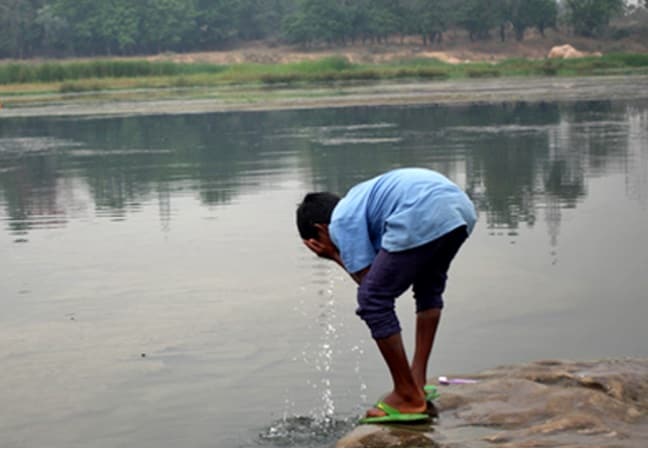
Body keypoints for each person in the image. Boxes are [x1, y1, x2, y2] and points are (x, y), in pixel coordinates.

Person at [296, 167, 477, 424]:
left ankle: (407, 395)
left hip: (421, 209)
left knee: (372, 301)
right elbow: (387, 275)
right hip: (459, 209)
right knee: (428, 286)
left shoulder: (340, 222)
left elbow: (371, 287)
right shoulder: (361, 204)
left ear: (321, 230)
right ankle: (417, 380)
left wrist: (333, 254)